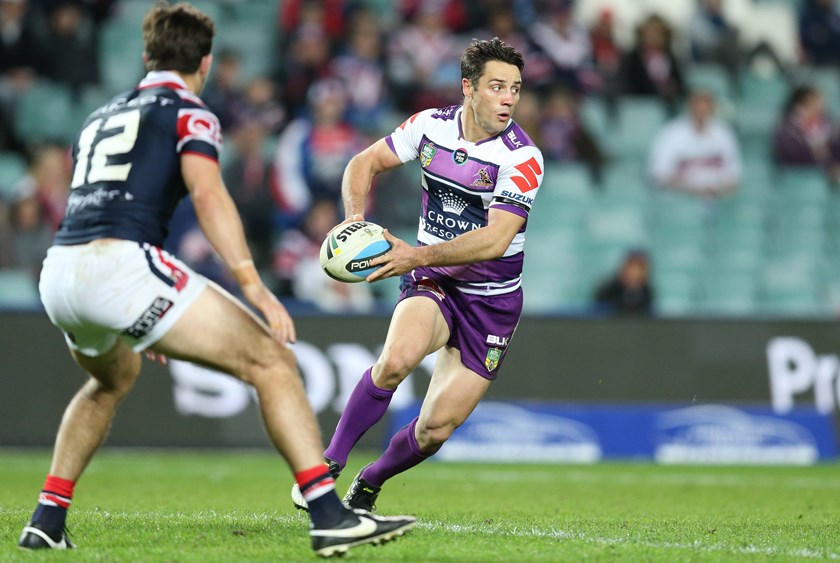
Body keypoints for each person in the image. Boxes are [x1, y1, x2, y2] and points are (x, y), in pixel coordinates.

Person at [16, 3, 415, 557]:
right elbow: (208, 195)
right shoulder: (190, 111)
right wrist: (253, 285)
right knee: (272, 361)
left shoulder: (101, 115)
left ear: (146, 55)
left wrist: (142, 310)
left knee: (111, 378)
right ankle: (329, 515)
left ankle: (46, 519)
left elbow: (103, 202)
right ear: (204, 63)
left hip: (61, 270)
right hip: (120, 267)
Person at [291, 37, 544, 513]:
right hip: (434, 282)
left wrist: (415, 255)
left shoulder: (522, 157)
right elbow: (364, 162)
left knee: (435, 430)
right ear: (468, 87)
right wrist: (353, 220)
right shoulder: (430, 126)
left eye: (515, 88)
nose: (509, 98)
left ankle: (370, 480)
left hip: (492, 300)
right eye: (497, 86)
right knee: (396, 359)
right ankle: (326, 466)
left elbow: (495, 240)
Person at [649, 89, 741, 199]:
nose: (701, 110)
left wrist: (717, 191)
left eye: (706, 105)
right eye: (697, 105)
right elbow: (658, 175)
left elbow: (734, 174)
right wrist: (693, 190)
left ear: (712, 108)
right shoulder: (670, 133)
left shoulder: (724, 132)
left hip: (718, 198)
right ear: (689, 106)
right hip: (679, 199)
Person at [593, 249, 654, 316]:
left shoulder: (646, 292)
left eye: (640, 269)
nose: (634, 273)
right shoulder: (608, 290)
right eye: (631, 269)